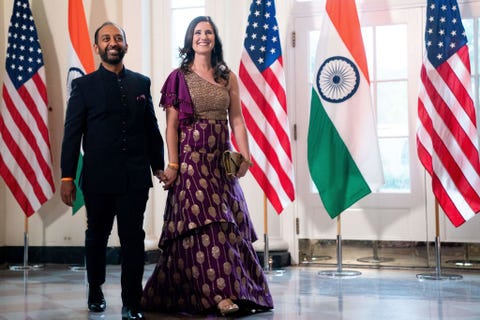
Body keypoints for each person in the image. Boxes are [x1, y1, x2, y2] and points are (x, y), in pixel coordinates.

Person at [141, 16, 274, 316]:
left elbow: (237, 119)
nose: (203, 37)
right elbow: (171, 125)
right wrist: (172, 164)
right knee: (204, 228)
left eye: (209, 32)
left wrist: (246, 156)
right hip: (190, 164)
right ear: (190, 40)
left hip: (221, 163)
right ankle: (220, 298)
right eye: (198, 33)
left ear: (215, 39)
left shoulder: (228, 77)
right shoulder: (179, 77)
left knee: (228, 225)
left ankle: (238, 290)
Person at [60, 21, 164, 320]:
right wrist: (67, 177)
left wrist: (159, 166)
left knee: (133, 239)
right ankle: (95, 289)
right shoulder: (83, 86)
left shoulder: (141, 83)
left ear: (126, 46)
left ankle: (131, 302)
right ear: (97, 48)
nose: (112, 42)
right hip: (97, 178)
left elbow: (151, 129)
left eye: (118, 37)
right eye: (106, 38)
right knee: (97, 237)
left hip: (134, 177)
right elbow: (72, 135)